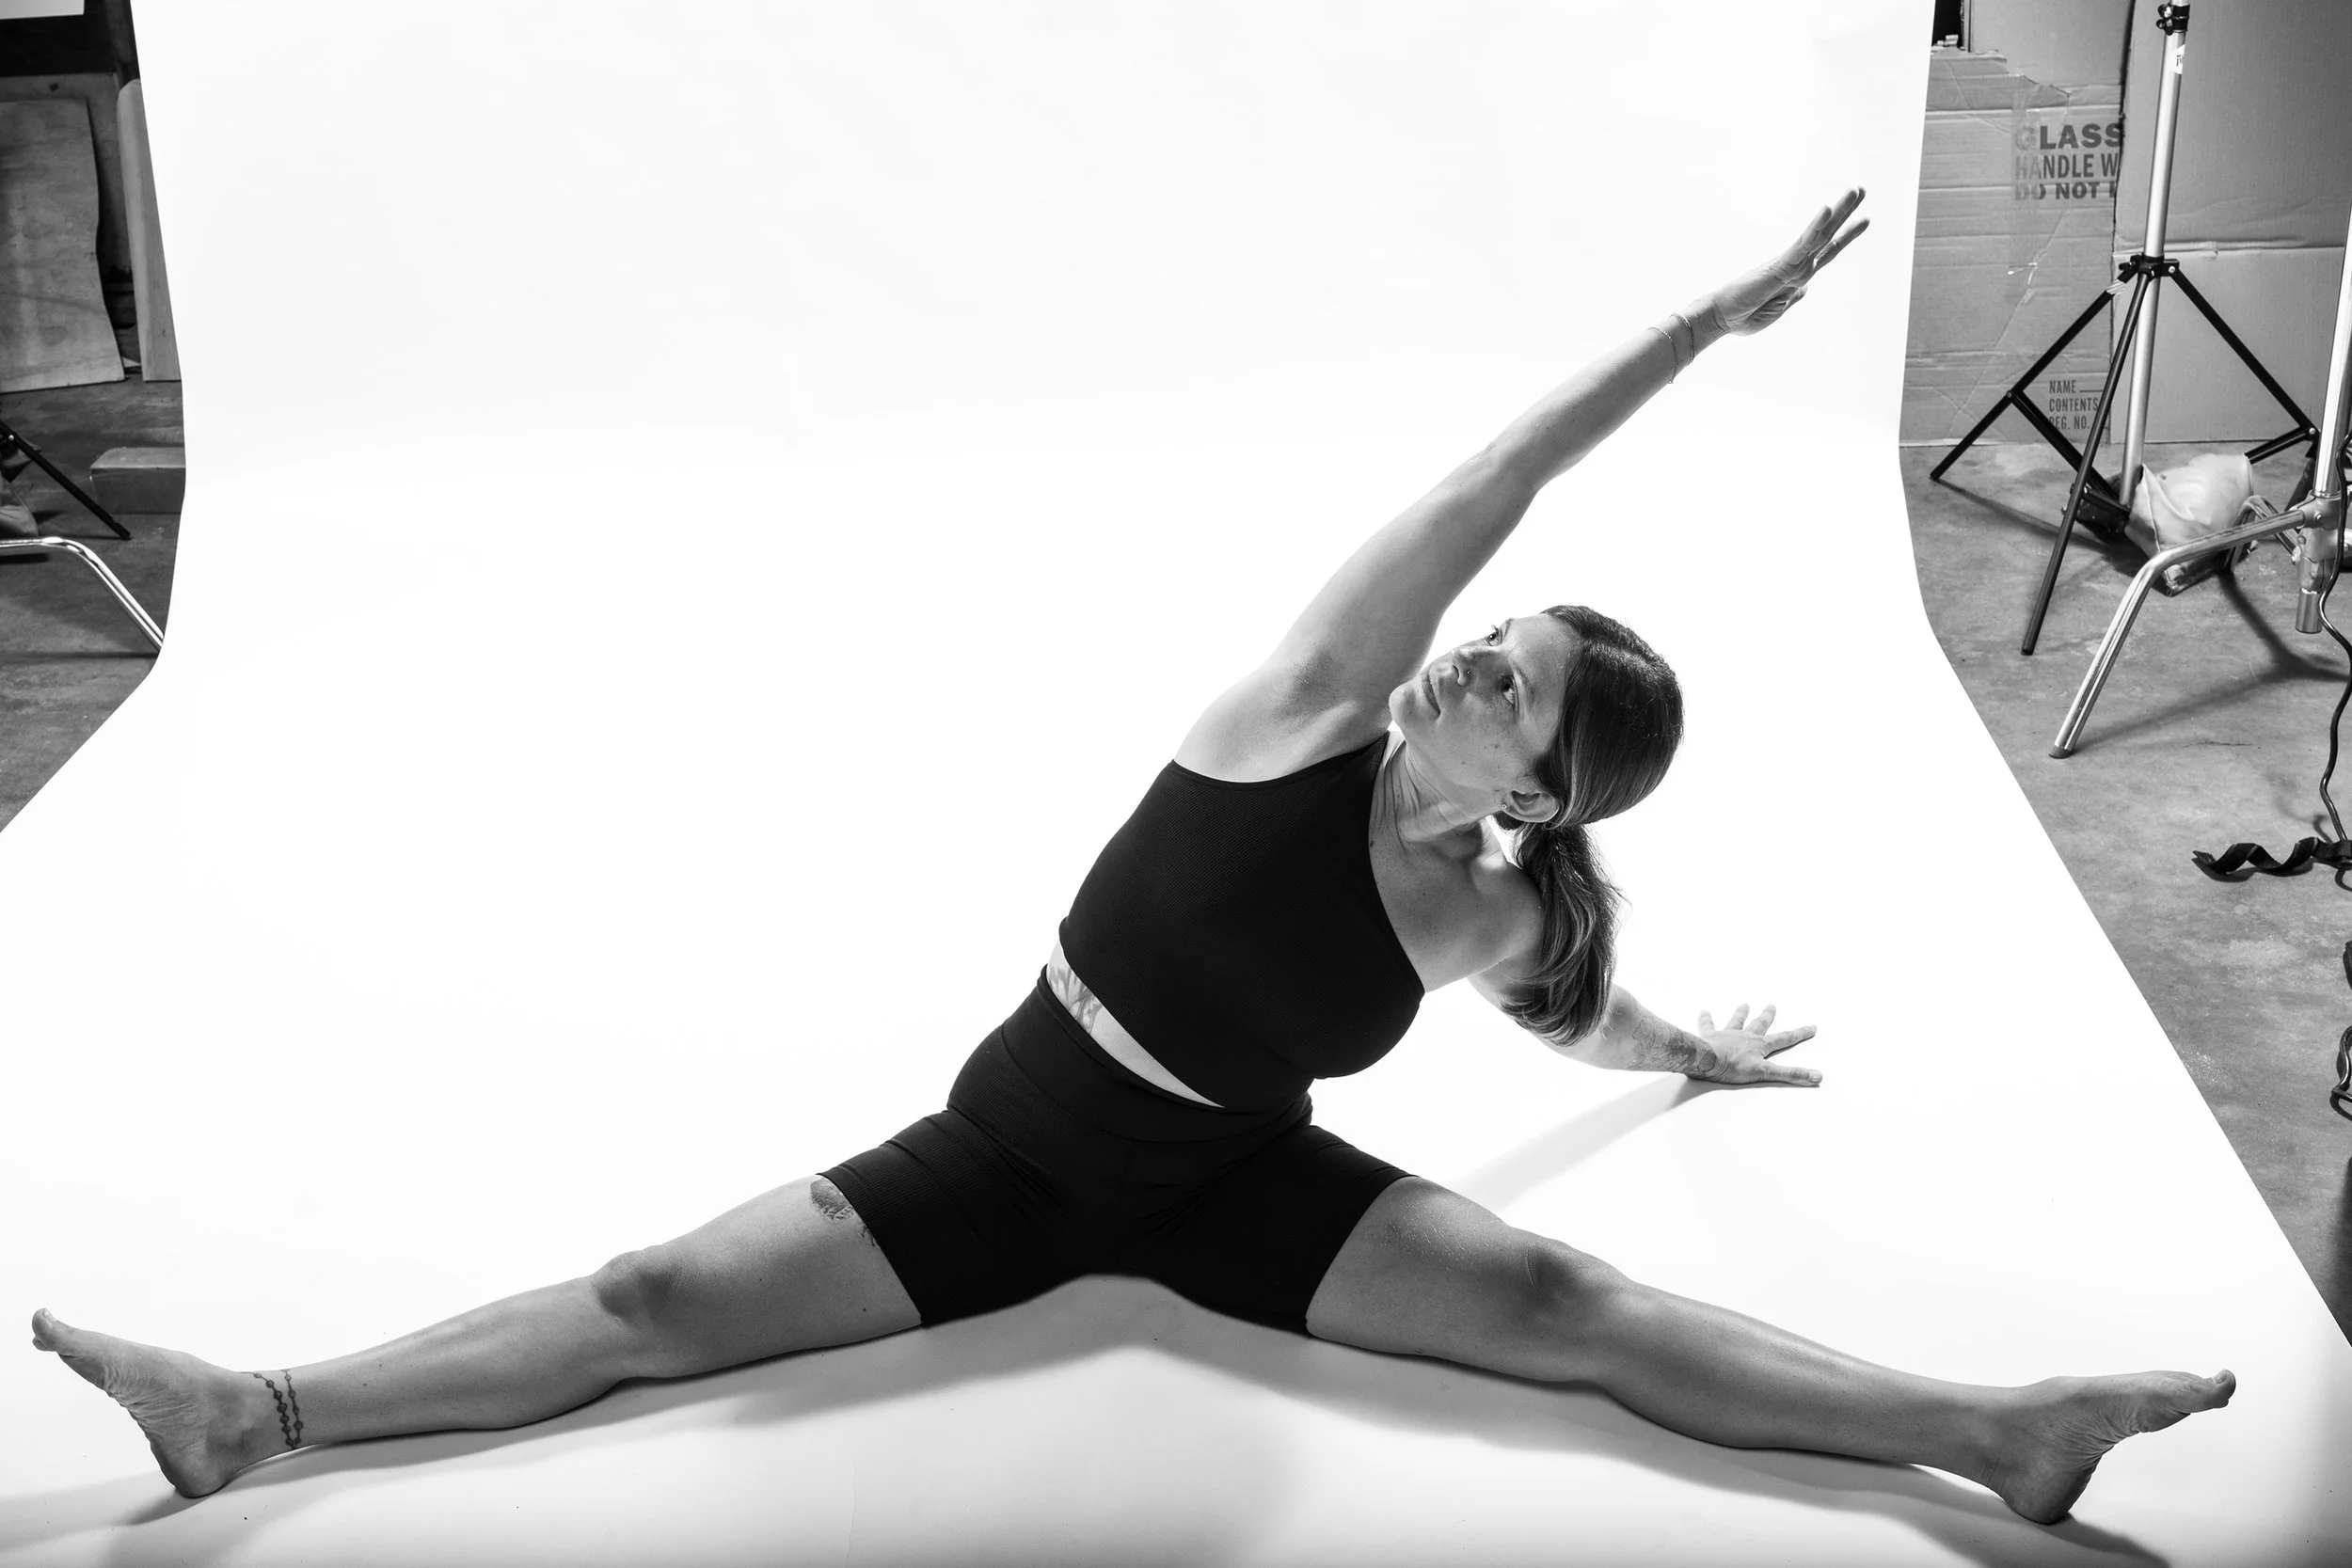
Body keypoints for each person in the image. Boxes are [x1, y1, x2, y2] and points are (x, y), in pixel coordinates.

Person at [32, 188, 2232, 1527]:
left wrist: (1687, 1054)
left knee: (1575, 1307)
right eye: (1484, 644)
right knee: (649, 1305)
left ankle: (1993, 1429)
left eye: (1503, 685)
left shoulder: (1490, 897)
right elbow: (1486, 486)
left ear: (1540, 793)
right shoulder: (1301, 718)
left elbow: (1573, 996)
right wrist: (1696, 333)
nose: (1461, 659)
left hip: (1224, 1185)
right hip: (1006, 1152)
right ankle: (263, 1408)